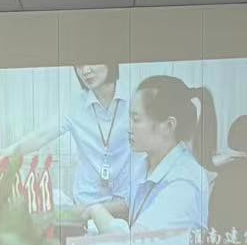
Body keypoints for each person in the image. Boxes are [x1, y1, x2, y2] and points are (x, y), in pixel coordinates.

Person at [86, 75, 215, 235]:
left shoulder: (184, 183)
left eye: (136, 119)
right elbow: (132, 205)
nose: (128, 127)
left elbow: (136, 244)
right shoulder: (145, 164)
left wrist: (97, 211)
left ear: (168, 126)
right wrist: (87, 210)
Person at [0, 63, 132, 208]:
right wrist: (9, 151)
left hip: (126, 202)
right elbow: (41, 136)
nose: (85, 71)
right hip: (87, 204)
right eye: (79, 66)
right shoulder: (75, 105)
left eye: (91, 61)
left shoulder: (133, 100)